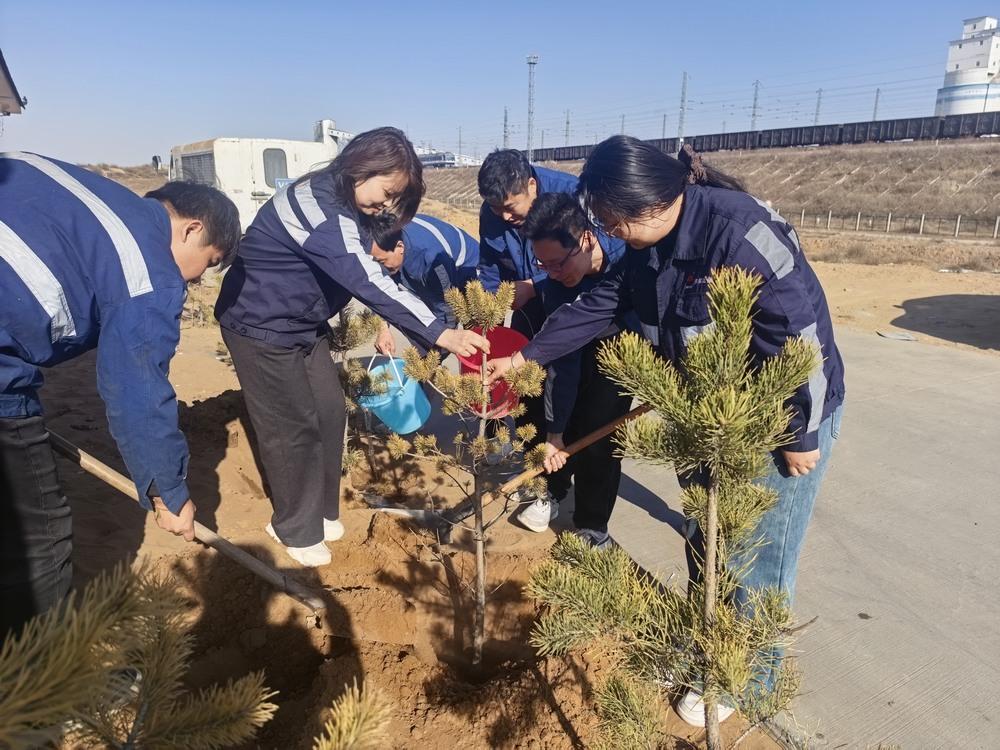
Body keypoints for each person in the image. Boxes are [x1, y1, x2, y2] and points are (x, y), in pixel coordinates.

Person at [485, 136, 845, 725]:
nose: (607, 234)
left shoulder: (737, 232)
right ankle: (710, 643)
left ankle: (750, 677)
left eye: (607, 221)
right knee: (708, 538)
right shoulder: (646, 248)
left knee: (760, 557)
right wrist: (529, 357)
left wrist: (800, 431)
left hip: (777, 421)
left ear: (637, 205)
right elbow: (599, 303)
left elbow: (797, 333)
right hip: (702, 415)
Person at [215, 127, 487, 568]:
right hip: (259, 326)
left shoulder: (346, 204)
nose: (386, 205)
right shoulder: (319, 209)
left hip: (303, 325)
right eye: (385, 192)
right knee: (291, 426)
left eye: (395, 199)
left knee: (328, 410)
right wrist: (440, 332)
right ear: (362, 166)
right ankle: (292, 528)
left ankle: (320, 514)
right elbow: (366, 278)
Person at [0, 152, 241, 635]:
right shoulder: (146, 266)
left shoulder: (82, 194)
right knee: (38, 537)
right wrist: (168, 491)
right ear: (192, 228)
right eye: (209, 264)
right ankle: (44, 691)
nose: (195, 281)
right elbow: (136, 385)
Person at [514, 193, 636, 546]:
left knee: (600, 435)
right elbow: (562, 364)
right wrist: (555, 434)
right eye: (543, 265)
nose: (552, 274)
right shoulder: (556, 285)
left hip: (621, 350)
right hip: (576, 351)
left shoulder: (627, 255)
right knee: (548, 411)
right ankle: (550, 490)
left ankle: (593, 526)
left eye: (558, 263)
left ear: (585, 238)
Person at [368, 213, 479, 355]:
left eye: (383, 262)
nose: (381, 268)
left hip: (468, 276)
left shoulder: (431, 260)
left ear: (400, 247)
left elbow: (445, 311)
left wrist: (432, 358)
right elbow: (380, 288)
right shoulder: (381, 243)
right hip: (425, 273)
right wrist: (382, 329)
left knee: (476, 347)